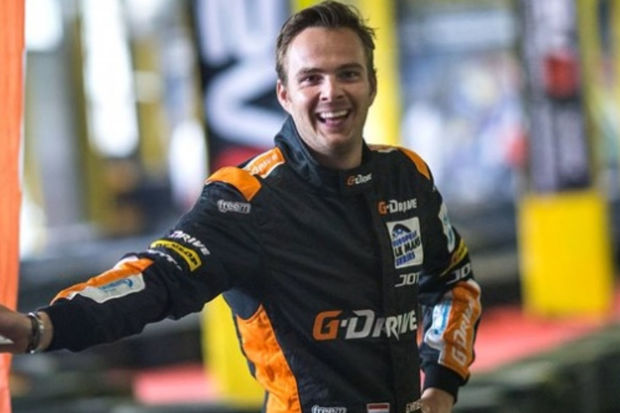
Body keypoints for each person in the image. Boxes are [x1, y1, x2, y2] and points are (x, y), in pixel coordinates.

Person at [0, 2, 481, 412]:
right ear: (284, 94)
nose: (331, 92)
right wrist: (42, 327)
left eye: (348, 74)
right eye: (311, 78)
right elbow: (158, 277)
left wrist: (441, 387)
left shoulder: (407, 176)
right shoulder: (246, 200)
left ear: (372, 84)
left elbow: (453, 283)